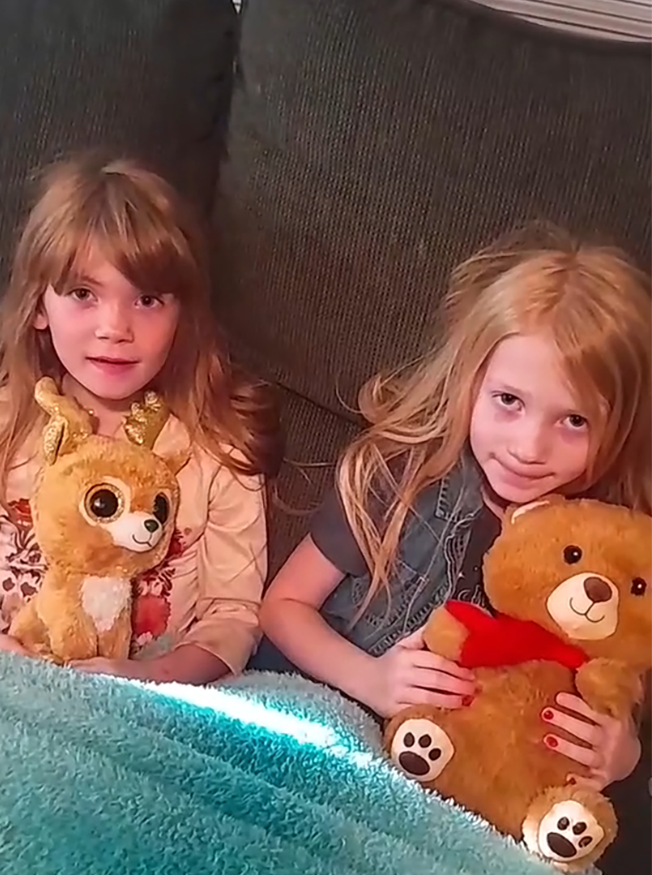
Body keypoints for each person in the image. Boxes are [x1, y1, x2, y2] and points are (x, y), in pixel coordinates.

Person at [259, 224, 650, 789]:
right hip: (336, 708)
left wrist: (624, 754)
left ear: (620, 427)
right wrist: (370, 679)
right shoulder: (400, 476)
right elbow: (283, 605)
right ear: (469, 381)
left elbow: (624, 689)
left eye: (574, 421)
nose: (528, 448)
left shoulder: (622, 547)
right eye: (508, 402)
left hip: (479, 784)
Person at [0, 152, 281, 684]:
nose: (114, 327)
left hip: (147, 700)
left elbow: (232, 617)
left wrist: (147, 677)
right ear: (39, 306)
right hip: (1, 682)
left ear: (182, 316)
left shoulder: (216, 446)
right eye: (84, 294)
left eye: (147, 300)